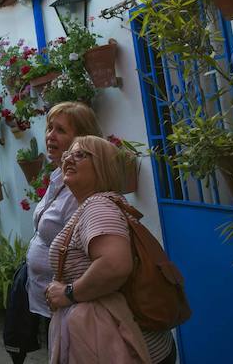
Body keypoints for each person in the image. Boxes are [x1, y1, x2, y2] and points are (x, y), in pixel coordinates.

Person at [45, 136, 176, 364]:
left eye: (80, 155)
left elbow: (115, 265)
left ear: (103, 166)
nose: (68, 159)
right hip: (118, 341)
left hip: (124, 348)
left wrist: (68, 293)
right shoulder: (97, 204)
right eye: (68, 155)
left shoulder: (98, 206)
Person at [7, 102, 102, 364]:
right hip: (48, 302)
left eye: (60, 130)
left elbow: (96, 255)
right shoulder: (59, 176)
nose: (50, 135)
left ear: (81, 139)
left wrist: (71, 292)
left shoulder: (84, 186)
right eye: (50, 128)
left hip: (72, 304)